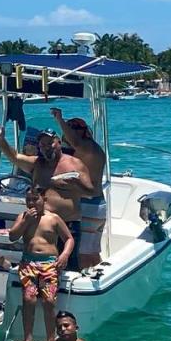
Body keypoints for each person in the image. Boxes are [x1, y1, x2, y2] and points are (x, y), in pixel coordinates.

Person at [0, 122, 94, 271]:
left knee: (68, 268)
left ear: (58, 142)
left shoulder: (75, 165)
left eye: (50, 142)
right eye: (42, 144)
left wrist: (76, 183)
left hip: (67, 224)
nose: (46, 147)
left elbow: (91, 192)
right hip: (41, 224)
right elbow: (15, 157)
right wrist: (1, 140)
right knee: (39, 267)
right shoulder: (37, 163)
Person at [9, 187, 74, 341]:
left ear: (44, 199)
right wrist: (25, 222)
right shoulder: (23, 217)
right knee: (28, 299)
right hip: (28, 263)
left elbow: (69, 239)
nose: (31, 203)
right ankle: (27, 338)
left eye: (35, 199)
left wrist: (64, 255)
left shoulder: (53, 219)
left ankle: (50, 340)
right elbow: (12, 236)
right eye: (28, 199)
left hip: (48, 264)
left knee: (49, 300)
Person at [51, 109, 107, 269]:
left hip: (89, 207)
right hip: (97, 206)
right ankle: (100, 277)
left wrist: (59, 120)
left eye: (71, 129)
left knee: (83, 254)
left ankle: (85, 285)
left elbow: (74, 142)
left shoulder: (86, 147)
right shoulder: (92, 149)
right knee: (92, 253)